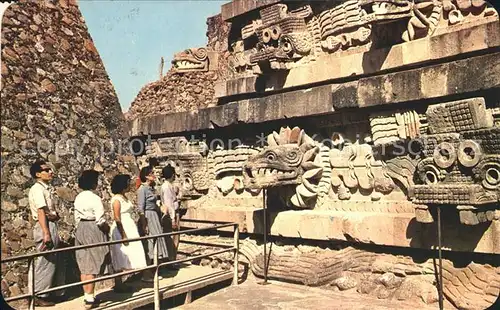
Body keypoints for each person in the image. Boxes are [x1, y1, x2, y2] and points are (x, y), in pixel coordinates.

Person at [27, 160, 65, 307]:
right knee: (45, 260)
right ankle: (39, 294)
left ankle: (50, 292)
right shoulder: (37, 189)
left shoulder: (46, 188)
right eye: (46, 170)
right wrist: (46, 233)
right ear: (37, 174)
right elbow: (41, 211)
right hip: (45, 226)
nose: (50, 172)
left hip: (50, 224)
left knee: (53, 260)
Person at [73, 170, 112, 309]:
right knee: (92, 263)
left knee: (84, 263)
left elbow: (76, 217)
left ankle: (87, 295)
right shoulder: (95, 198)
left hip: (81, 228)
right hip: (92, 227)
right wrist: (107, 230)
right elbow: (100, 219)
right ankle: (90, 298)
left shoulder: (78, 197)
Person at [109, 174, 147, 290]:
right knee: (120, 254)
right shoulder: (116, 199)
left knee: (131, 253)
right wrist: (123, 235)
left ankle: (127, 279)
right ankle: (118, 283)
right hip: (122, 228)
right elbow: (117, 217)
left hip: (129, 226)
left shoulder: (124, 197)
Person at [137, 167, 168, 281]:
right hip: (148, 216)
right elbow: (140, 208)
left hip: (155, 216)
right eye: (151, 174)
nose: (154, 175)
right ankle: (147, 273)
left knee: (156, 242)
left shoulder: (152, 189)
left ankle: (154, 271)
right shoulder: (142, 189)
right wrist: (144, 223)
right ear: (146, 176)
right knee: (150, 243)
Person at [159, 165, 182, 266]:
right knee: (173, 238)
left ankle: (171, 259)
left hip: (171, 213)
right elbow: (169, 204)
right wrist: (173, 219)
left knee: (172, 238)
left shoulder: (167, 186)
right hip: (171, 215)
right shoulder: (166, 187)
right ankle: (171, 260)